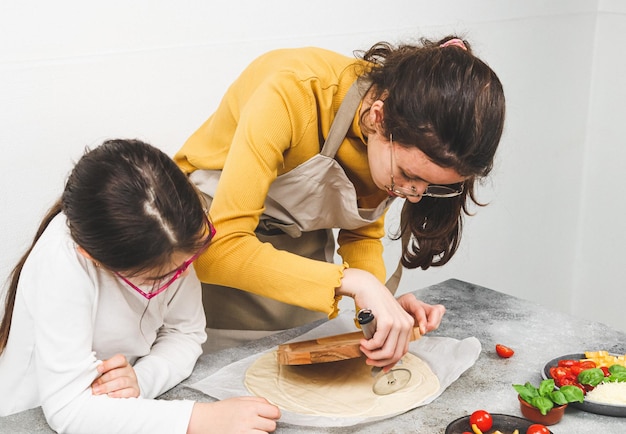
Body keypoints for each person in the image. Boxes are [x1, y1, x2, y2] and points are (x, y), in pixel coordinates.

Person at [174, 35, 505, 367]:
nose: (414, 193)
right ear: (378, 117)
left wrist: (381, 307)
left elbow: (360, 232)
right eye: (408, 174)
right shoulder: (291, 92)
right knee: (222, 373)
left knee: (295, 366)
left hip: (296, 245)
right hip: (205, 235)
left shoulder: (396, 136)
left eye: (432, 186)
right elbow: (217, 251)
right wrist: (358, 282)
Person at [0, 139, 280, 433]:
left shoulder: (171, 236)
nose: (182, 278)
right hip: (26, 419)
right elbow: (69, 410)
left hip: (116, 411)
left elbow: (185, 332)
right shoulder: (62, 262)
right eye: (157, 279)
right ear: (93, 259)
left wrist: (140, 381)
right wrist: (199, 419)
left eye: (187, 263)